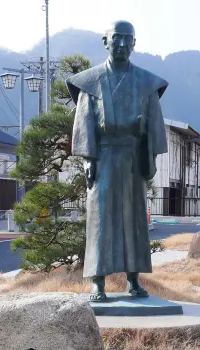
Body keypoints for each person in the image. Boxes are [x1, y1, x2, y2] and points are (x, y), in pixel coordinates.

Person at [66, 20, 168, 301]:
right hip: (105, 155)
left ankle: (133, 280)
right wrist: (89, 157)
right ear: (105, 41)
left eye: (128, 40)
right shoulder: (92, 81)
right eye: (117, 38)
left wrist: (151, 155)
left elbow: (154, 123)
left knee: (134, 217)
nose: (122, 45)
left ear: (134, 44)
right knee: (100, 218)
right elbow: (85, 119)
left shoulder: (146, 82)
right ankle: (97, 281)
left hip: (134, 157)